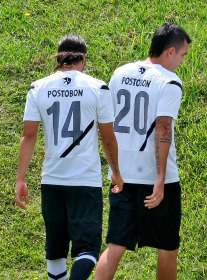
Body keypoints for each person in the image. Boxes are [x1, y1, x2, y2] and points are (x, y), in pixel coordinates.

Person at [15, 34, 123, 280]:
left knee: (55, 253)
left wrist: (20, 178)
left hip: (51, 180)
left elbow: (29, 136)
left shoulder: (38, 87)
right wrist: (116, 172)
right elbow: (108, 137)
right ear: (83, 59)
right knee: (88, 250)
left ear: (58, 57)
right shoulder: (97, 87)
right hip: (85, 181)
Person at [94, 23, 191, 280]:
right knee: (168, 247)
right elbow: (163, 127)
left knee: (115, 245)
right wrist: (159, 179)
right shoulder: (169, 81)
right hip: (156, 179)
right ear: (170, 52)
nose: (182, 62)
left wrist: (114, 169)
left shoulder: (119, 73)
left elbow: (107, 123)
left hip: (122, 175)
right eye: (183, 55)